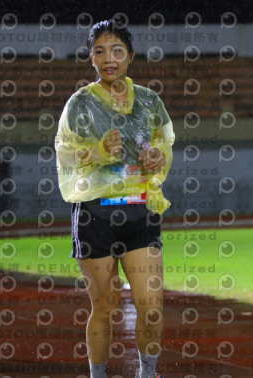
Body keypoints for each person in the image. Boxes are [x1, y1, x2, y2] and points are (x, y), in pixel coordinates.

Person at [55, 20, 175, 378]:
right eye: (100, 51)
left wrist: (158, 156)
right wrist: (97, 150)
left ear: (130, 56)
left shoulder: (149, 101)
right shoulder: (80, 103)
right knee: (105, 308)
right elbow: (64, 153)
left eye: (117, 50)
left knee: (151, 307)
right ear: (91, 58)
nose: (109, 58)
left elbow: (164, 143)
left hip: (140, 212)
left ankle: (147, 373)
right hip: (95, 216)